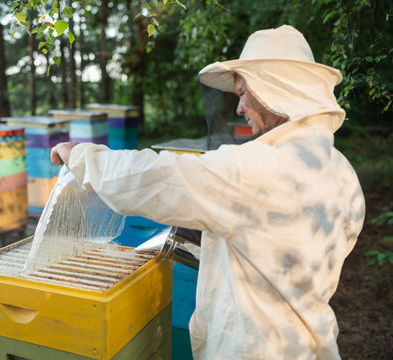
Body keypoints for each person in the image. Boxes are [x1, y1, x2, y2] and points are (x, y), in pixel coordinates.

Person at [51, 25, 365, 360]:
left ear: (275, 89)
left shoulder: (258, 169)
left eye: (242, 93)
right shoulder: (341, 171)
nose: (239, 109)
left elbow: (159, 178)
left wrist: (83, 156)